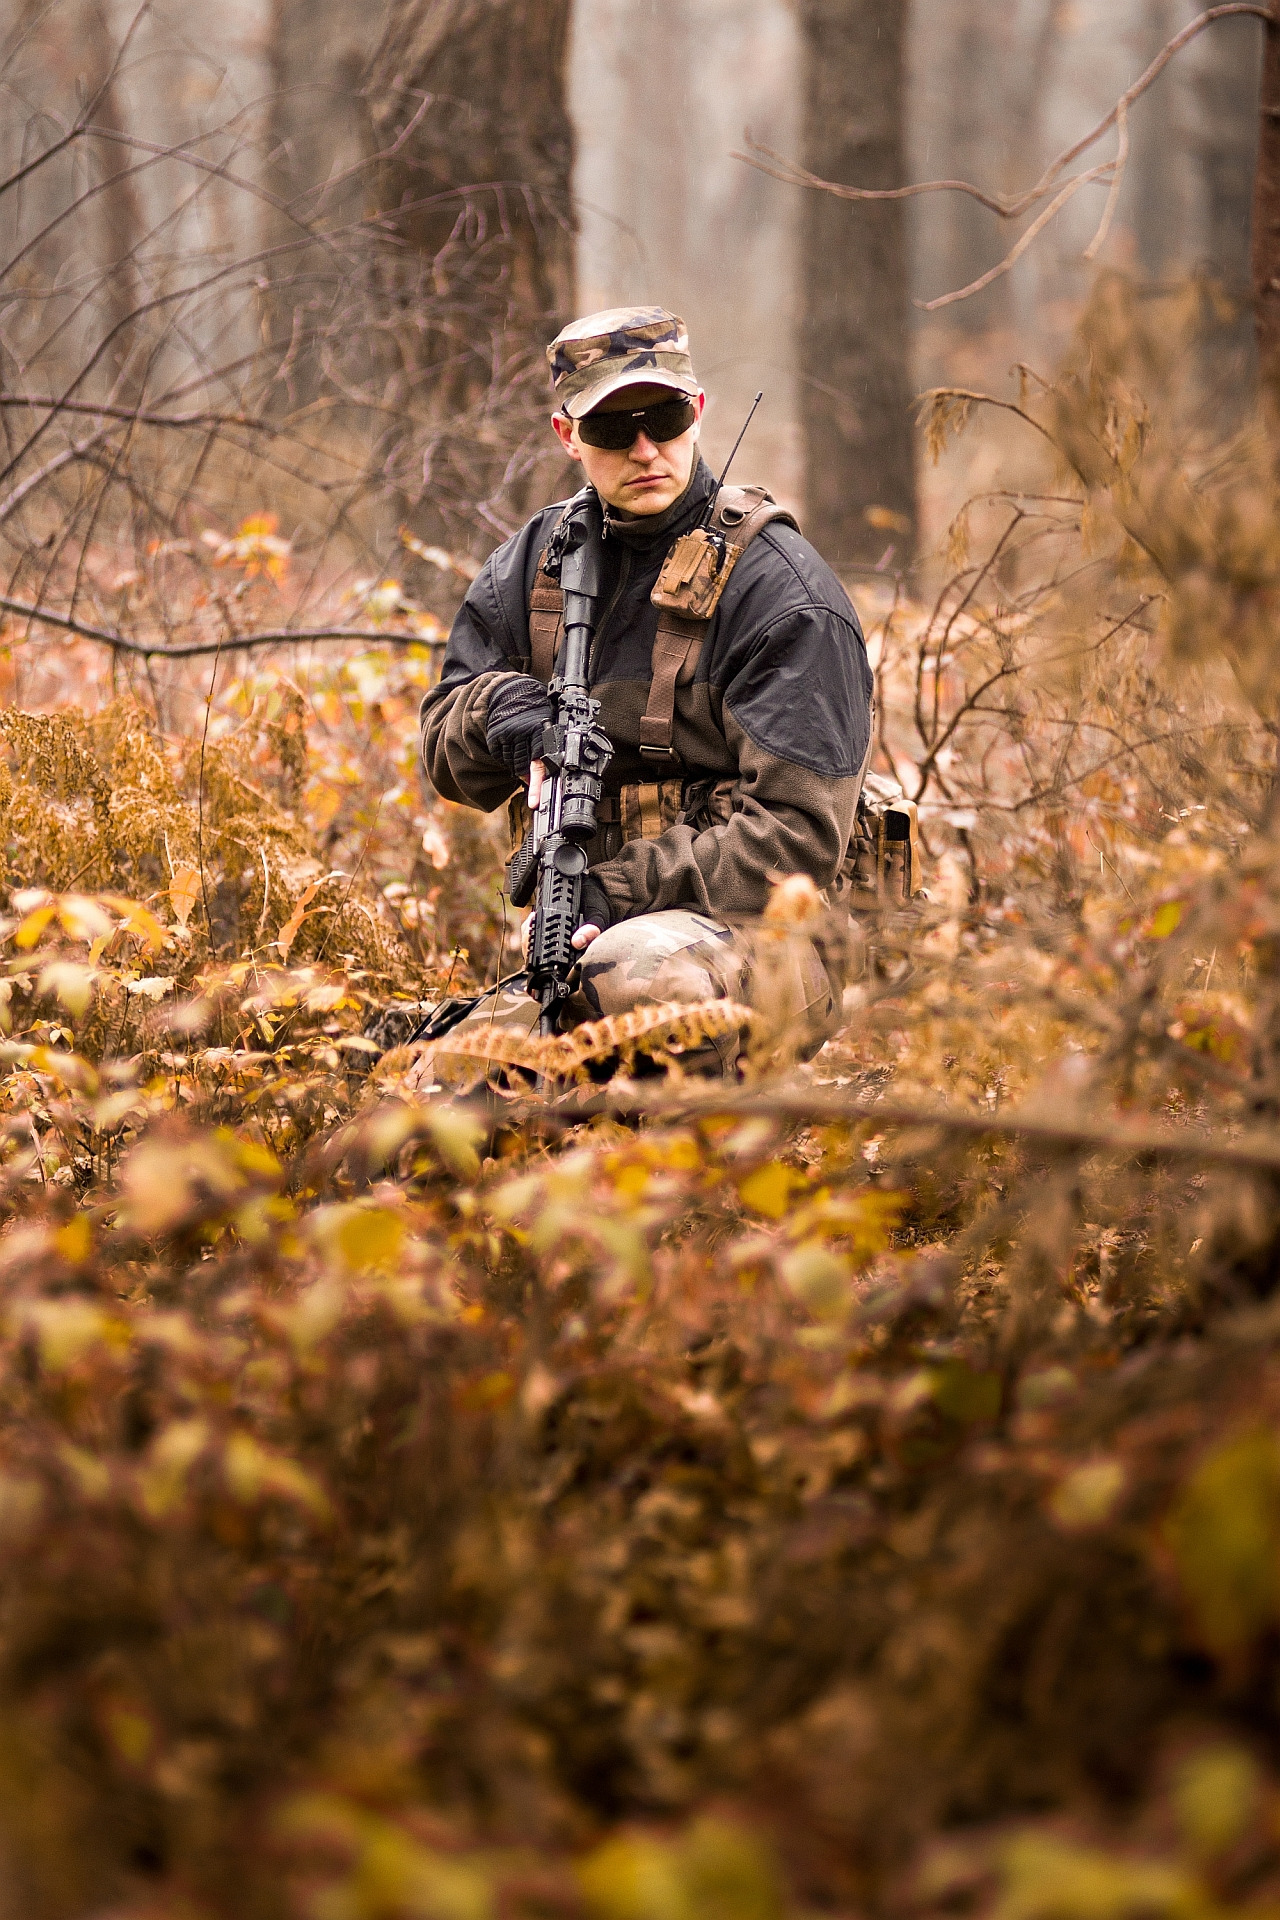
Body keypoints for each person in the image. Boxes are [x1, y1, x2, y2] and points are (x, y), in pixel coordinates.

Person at [414, 305, 875, 1082]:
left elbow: (797, 839)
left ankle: (693, 1186)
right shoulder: (531, 567)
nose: (644, 449)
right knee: (444, 1097)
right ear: (568, 437)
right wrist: (499, 715)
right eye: (610, 428)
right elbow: (442, 750)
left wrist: (613, 892)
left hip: (768, 931)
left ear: (697, 411)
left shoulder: (782, 593)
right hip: (589, 929)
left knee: (638, 985)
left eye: (662, 417)